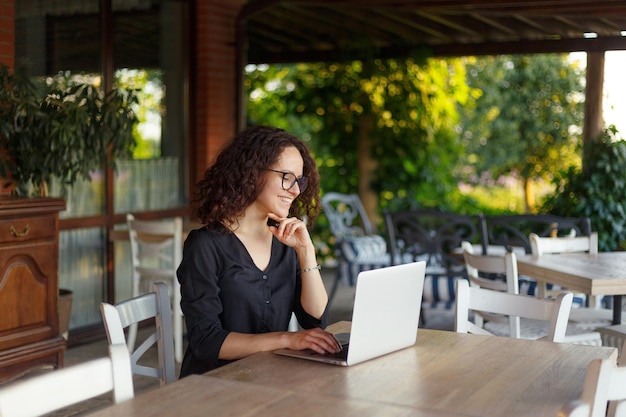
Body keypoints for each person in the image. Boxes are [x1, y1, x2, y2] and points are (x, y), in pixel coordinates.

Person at [177, 125, 341, 377]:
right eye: (287, 177)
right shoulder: (205, 245)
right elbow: (207, 341)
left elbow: (315, 322)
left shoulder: (286, 242)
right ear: (252, 174)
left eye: (299, 180)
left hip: (270, 378)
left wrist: (306, 252)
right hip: (213, 386)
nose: (296, 190)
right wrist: (288, 340)